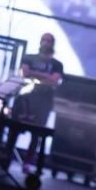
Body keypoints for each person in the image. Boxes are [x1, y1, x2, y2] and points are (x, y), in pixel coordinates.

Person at [5, 32, 64, 171]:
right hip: (24, 98)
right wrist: (45, 76)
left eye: (48, 40)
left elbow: (54, 79)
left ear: (53, 44)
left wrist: (35, 73)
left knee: (36, 133)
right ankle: (6, 157)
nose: (45, 43)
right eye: (44, 40)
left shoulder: (57, 64)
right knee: (14, 128)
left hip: (43, 101)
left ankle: (27, 162)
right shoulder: (29, 57)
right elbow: (25, 72)